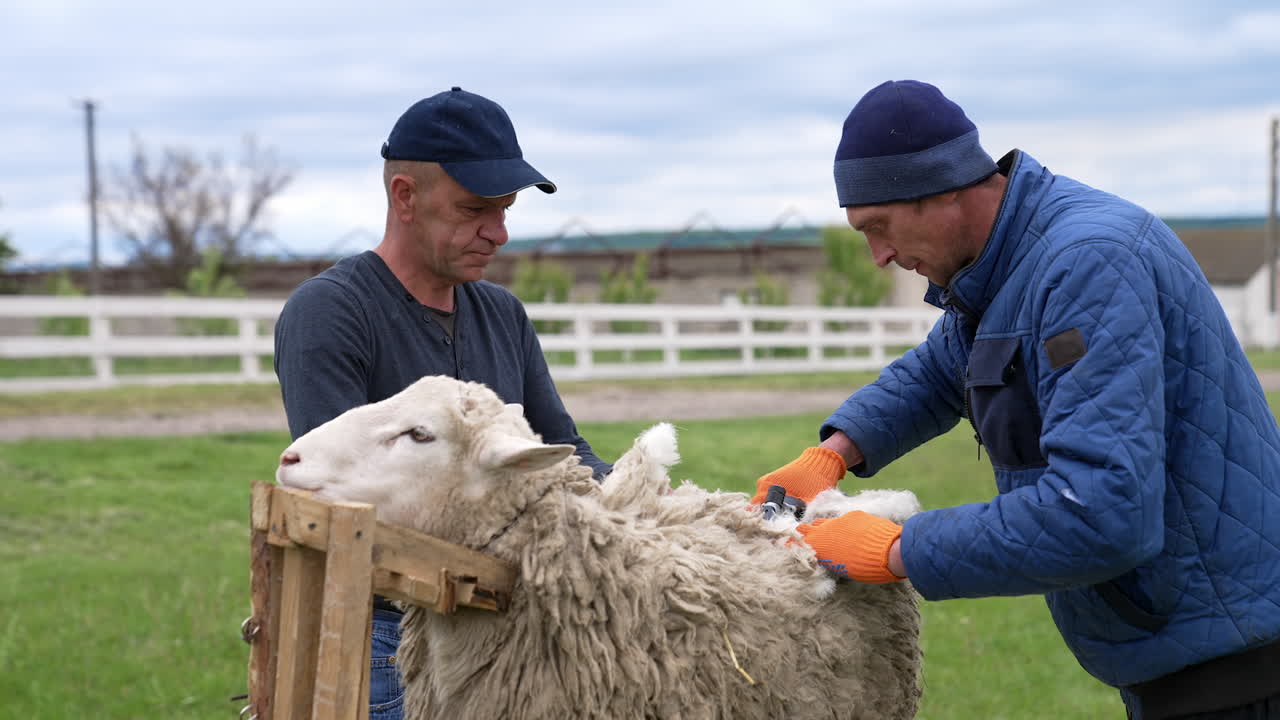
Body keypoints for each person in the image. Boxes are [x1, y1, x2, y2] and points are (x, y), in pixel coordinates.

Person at [756, 80, 1280, 719]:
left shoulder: (1087, 263)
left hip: (1236, 667)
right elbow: (938, 372)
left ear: (942, 187)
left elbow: (1100, 512)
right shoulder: (1008, 263)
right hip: (1195, 651)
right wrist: (831, 455)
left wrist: (896, 548)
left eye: (880, 227)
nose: (879, 256)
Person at [274, 86, 612, 719]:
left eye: (506, 210)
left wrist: (652, 526)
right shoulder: (331, 311)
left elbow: (566, 450)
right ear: (405, 196)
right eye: (475, 210)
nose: (499, 233)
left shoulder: (502, 314)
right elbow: (337, 495)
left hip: (504, 626)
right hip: (387, 633)